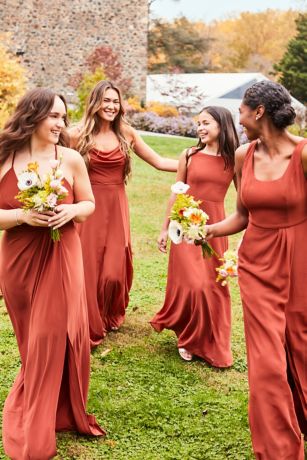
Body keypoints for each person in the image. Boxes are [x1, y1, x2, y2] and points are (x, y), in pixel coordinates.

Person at [0, 88, 105, 460]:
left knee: (50, 335)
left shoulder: (72, 159)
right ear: (33, 116)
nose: (62, 124)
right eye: (55, 117)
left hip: (62, 253)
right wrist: (22, 217)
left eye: (64, 117)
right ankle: (54, 408)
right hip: (18, 261)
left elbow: (90, 204)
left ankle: (35, 426)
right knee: (32, 342)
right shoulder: (6, 157)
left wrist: (72, 209)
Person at [206, 80, 307, 459]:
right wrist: (208, 229)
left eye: (242, 111)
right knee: (266, 363)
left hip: (299, 264)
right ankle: (279, 450)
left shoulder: (302, 155)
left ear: (259, 111)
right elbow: (243, 215)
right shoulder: (244, 156)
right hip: (257, 266)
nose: (239, 119)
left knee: (300, 350)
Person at [69, 80, 177, 347]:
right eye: (106, 101)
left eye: (115, 102)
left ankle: (108, 312)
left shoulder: (125, 133)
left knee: (113, 271)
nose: (111, 106)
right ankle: (87, 317)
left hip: (116, 205)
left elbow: (159, 161)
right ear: (95, 103)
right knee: (88, 265)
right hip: (88, 205)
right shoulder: (76, 134)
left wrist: (196, 162)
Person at [150, 106, 238, 365]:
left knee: (213, 287)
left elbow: (246, 198)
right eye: (198, 123)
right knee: (192, 284)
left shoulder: (233, 160)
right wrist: (165, 228)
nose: (200, 128)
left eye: (206, 123)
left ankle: (210, 340)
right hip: (184, 226)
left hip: (215, 228)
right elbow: (177, 192)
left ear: (222, 125)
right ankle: (188, 337)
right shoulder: (188, 155)